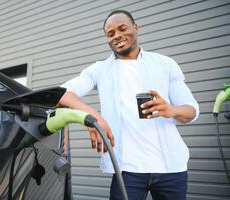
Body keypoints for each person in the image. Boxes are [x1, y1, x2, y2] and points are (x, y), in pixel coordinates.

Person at [58, 10, 199, 200]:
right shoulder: (99, 69)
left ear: (135, 27)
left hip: (171, 169)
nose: (117, 36)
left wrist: (171, 109)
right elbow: (62, 93)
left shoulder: (164, 64)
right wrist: (93, 116)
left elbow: (191, 110)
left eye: (122, 28)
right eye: (110, 33)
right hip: (127, 170)